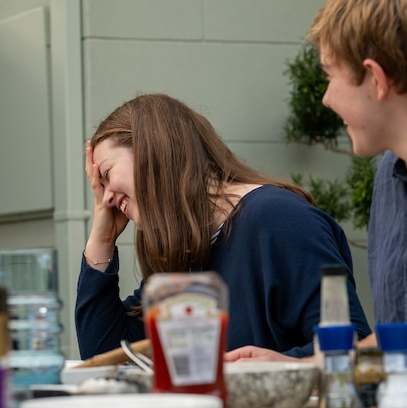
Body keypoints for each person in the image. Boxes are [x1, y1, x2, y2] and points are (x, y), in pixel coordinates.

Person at [75, 93, 372, 361]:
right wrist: (102, 238)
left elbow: (353, 344)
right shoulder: (186, 249)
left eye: (107, 174)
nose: (107, 196)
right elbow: (106, 356)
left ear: (150, 150)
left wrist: (281, 367)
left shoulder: (279, 218)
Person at [226, 0, 407, 362]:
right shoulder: (389, 176)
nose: (326, 98)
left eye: (329, 75)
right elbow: (401, 336)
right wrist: (293, 366)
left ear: (376, 78)